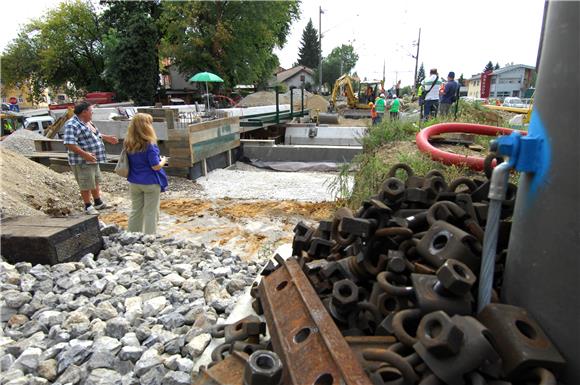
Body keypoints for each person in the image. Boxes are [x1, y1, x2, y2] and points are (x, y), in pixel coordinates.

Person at [63, 101, 118, 215]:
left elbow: (95, 134)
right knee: (85, 183)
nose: (92, 113)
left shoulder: (87, 122)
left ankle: (98, 202)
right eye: (91, 111)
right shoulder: (72, 124)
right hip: (82, 161)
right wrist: (85, 154)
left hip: (92, 158)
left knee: (95, 180)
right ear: (84, 112)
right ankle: (88, 206)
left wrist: (107, 138)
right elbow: (69, 143)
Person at [124, 113, 168, 235]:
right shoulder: (149, 145)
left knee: (136, 210)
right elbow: (155, 166)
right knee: (151, 212)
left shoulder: (128, 142)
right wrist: (163, 160)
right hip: (150, 182)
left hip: (134, 181)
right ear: (146, 127)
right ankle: (149, 237)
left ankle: (132, 235)